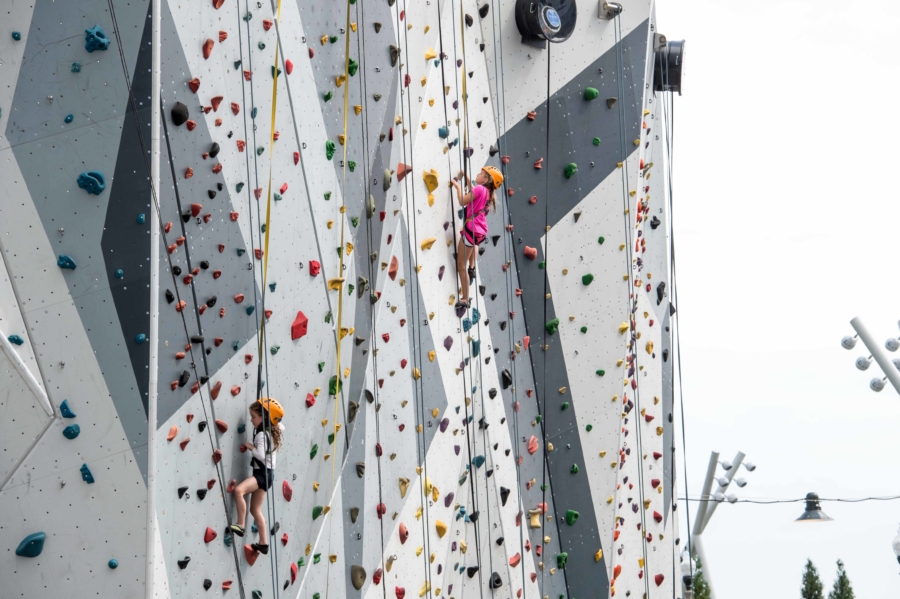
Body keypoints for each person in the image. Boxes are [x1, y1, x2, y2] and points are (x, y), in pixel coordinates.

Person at [228, 398, 284, 555]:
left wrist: (248, 446)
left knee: (239, 491)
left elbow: (259, 454)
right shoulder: (273, 430)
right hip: (268, 475)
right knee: (255, 509)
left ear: (264, 417)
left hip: (262, 474)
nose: (251, 420)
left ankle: (240, 525)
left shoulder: (262, 436)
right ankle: (263, 543)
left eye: (253, 416)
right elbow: (280, 424)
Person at [448, 165, 503, 309]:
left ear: (486, 179)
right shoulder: (488, 193)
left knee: (460, 265)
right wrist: (466, 178)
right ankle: (472, 267)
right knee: (474, 246)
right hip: (479, 232)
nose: (477, 175)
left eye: (480, 173)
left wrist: (457, 187)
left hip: (471, 232)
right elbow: (474, 191)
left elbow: (462, 201)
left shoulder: (480, 189)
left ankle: (466, 299)